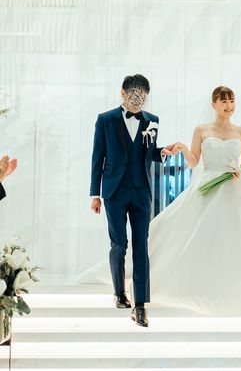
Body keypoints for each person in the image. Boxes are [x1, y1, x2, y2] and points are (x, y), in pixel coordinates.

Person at [82, 86, 241, 319]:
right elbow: (194, 163)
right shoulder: (201, 130)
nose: (229, 106)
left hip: (234, 190)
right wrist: (181, 149)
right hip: (207, 187)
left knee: (240, 238)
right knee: (195, 237)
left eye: (232, 101)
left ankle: (238, 288)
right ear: (213, 104)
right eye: (224, 101)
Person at [89, 74, 174, 327]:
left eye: (143, 97)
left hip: (141, 193)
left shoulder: (152, 120)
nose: (139, 101)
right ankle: (119, 292)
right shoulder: (105, 120)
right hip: (114, 192)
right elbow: (97, 158)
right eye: (134, 95)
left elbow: (148, 153)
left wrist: (162, 153)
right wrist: (95, 194)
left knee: (141, 247)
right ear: (123, 93)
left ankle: (140, 306)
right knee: (119, 245)